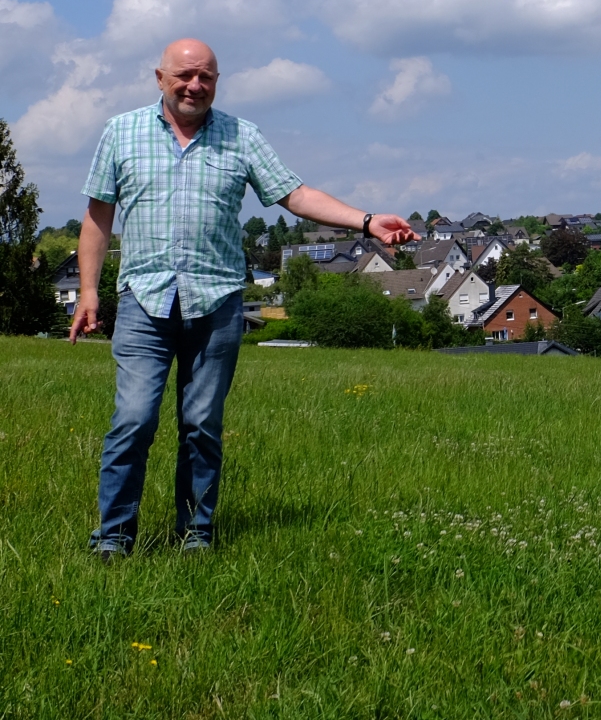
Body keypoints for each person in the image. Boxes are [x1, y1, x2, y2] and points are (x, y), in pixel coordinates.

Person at [70, 38, 419, 560]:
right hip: (144, 299)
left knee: (202, 426)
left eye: (206, 76)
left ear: (216, 81)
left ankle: (196, 535)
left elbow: (294, 195)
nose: (195, 85)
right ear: (160, 78)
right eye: (185, 76)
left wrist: (367, 221)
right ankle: (114, 538)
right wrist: (89, 291)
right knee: (134, 420)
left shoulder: (241, 136)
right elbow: (98, 217)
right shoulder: (121, 132)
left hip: (216, 302)